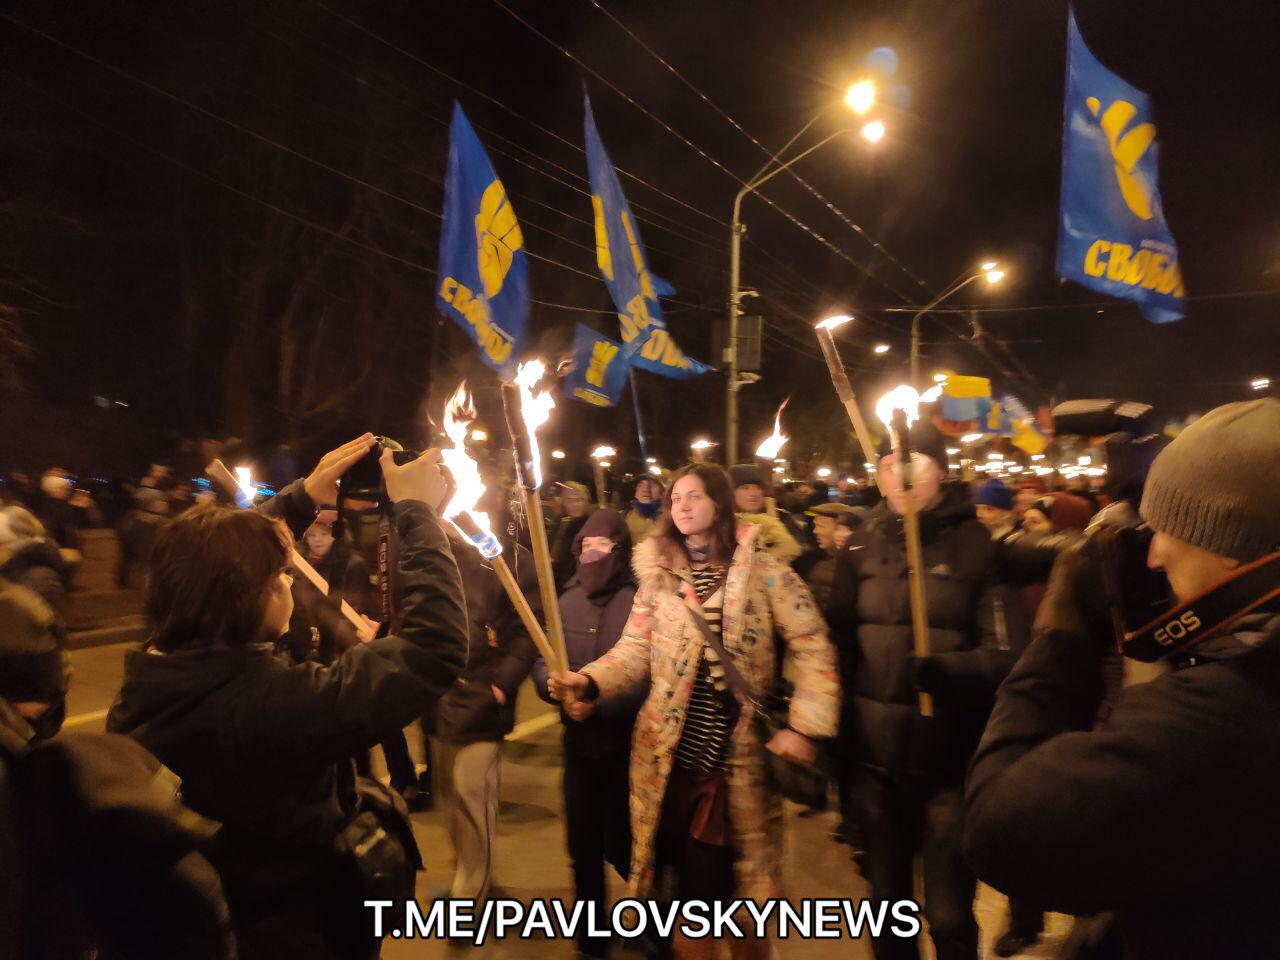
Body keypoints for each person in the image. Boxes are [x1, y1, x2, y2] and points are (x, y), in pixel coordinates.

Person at [106, 436, 469, 960]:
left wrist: (301, 499)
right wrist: (416, 512)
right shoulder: (271, 705)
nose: (289, 582)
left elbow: (209, 567)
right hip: (293, 931)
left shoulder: (155, 673)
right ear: (247, 598)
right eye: (280, 575)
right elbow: (434, 647)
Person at [965, 398, 1280, 960]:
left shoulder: (1222, 716)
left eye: (1168, 529)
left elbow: (998, 829)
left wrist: (1060, 637)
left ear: (1232, 545)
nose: (1153, 556)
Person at [550, 463, 839, 960]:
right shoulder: (659, 576)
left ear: (719, 503)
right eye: (676, 497)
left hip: (734, 762)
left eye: (695, 496)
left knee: (737, 900)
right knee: (687, 896)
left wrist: (805, 726)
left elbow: (812, 642)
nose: (682, 506)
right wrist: (589, 680)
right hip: (669, 762)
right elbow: (635, 649)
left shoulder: (764, 569)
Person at [824, 418, 1029, 960]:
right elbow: (836, 648)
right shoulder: (861, 544)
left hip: (949, 764)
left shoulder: (977, 546)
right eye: (889, 465)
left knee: (948, 915)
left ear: (940, 470)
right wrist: (832, 742)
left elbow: (1009, 654)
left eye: (914, 463)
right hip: (874, 765)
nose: (901, 476)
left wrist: (949, 672)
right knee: (887, 909)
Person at [532, 509, 642, 959]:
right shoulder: (566, 599)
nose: (593, 554)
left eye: (604, 547)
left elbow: (646, 672)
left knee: (628, 848)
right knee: (583, 846)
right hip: (578, 748)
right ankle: (591, 938)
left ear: (621, 551)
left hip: (626, 749)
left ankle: (653, 925)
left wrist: (598, 700)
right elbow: (544, 657)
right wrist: (554, 690)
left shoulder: (639, 601)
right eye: (586, 546)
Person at [428, 498, 541, 905]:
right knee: (447, 801)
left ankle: (471, 897)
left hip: (483, 699)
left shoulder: (511, 559)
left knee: (472, 796)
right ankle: (466, 874)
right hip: (441, 696)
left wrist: (501, 683)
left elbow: (531, 628)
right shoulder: (435, 553)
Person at [727, 464, 804, 566]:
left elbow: (801, 556)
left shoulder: (783, 518)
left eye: (758, 488)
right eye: (745, 488)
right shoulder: (726, 524)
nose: (753, 493)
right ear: (732, 493)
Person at [802, 502, 858, 609]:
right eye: (815, 525)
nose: (815, 531)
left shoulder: (850, 567)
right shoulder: (822, 562)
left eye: (821, 526)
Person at [552, 481, 596, 589]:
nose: (574, 504)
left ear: (586, 502)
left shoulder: (592, 526)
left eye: (579, 500)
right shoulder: (561, 524)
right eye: (569, 500)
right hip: (557, 582)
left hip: (580, 584)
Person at [625, 475, 663, 545]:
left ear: (661, 493)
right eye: (640, 485)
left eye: (651, 485)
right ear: (635, 494)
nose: (646, 489)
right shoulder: (624, 517)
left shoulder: (671, 518)